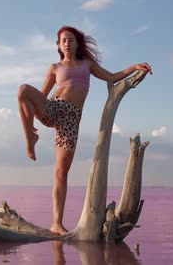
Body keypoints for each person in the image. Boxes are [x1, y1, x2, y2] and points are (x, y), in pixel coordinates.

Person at [17, 26, 152, 235]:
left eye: (70, 40)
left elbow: (112, 76)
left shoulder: (86, 65)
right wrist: (34, 113)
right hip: (53, 108)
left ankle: (56, 223)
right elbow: (40, 97)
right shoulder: (54, 67)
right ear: (59, 46)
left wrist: (135, 67)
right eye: (63, 41)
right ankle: (30, 139)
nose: (67, 43)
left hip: (70, 121)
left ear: (77, 43)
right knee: (23, 90)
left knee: (61, 173)